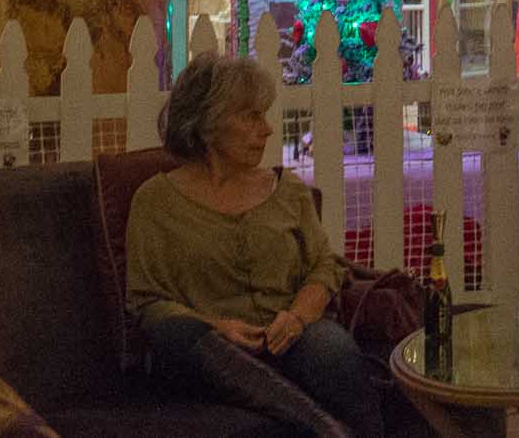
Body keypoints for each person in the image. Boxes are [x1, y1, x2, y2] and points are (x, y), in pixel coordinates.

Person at [125, 54, 377, 438]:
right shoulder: (155, 201)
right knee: (176, 337)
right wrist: (217, 326)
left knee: (332, 350)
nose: (267, 130)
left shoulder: (288, 189)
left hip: (289, 334)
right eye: (250, 117)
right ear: (207, 126)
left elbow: (324, 268)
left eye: (264, 115)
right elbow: (147, 303)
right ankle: (323, 427)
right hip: (208, 346)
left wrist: (295, 318)